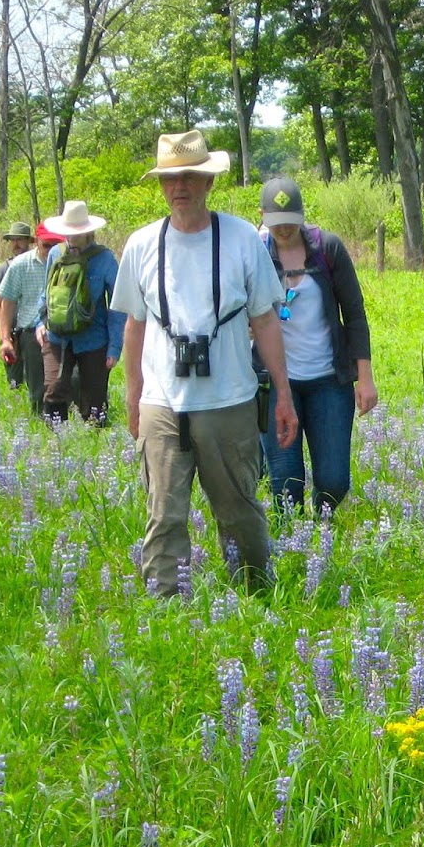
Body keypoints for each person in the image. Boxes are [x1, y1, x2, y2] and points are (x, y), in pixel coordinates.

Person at [111, 130, 298, 597]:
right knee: (164, 513)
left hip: (229, 400)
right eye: (171, 178)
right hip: (161, 402)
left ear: (209, 182)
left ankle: (257, 597)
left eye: (191, 176)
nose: (181, 187)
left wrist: (283, 395)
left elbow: (266, 321)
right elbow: (134, 327)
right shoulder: (140, 244)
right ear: (159, 185)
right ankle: (166, 610)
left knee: (239, 511)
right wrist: (132, 396)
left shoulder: (241, 238)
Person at [257, 176, 378, 515]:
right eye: (276, 224)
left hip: (328, 379)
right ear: (263, 216)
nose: (283, 230)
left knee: (334, 480)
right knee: (284, 481)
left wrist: (364, 378)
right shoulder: (254, 252)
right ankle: (291, 551)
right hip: (274, 383)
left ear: (303, 216)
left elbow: (354, 314)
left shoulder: (328, 248)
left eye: (290, 223)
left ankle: (322, 533)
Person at [36, 200, 124, 424]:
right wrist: (40, 322)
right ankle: (57, 445)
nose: (71, 238)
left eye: (76, 233)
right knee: (53, 390)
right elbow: (46, 292)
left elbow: (118, 305)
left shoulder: (105, 259)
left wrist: (114, 347)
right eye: (68, 233)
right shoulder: (56, 253)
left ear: (88, 232)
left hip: (94, 339)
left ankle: (93, 447)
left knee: (94, 401)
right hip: (57, 336)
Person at [0, 222, 65, 417]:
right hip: (30, 334)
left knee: (67, 383)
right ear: (38, 242)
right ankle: (42, 428)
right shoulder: (20, 264)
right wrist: (6, 339)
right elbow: (6, 302)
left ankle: (63, 425)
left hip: (61, 331)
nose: (50, 251)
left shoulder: (68, 263)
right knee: (37, 389)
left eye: (55, 246)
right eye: (46, 246)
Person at [0, 221, 34, 390]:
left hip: (32, 330)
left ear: (28, 241)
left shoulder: (36, 264)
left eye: (20, 240)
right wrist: (3, 336)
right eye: (13, 240)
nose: (16, 244)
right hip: (12, 332)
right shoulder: (3, 269)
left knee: (36, 377)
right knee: (14, 381)